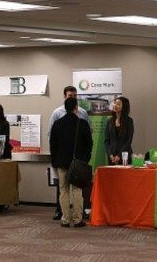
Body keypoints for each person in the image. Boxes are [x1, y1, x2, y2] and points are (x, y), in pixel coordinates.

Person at [48, 86, 91, 221]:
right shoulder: (82, 123)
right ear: (76, 108)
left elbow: (52, 143)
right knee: (77, 190)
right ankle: (78, 219)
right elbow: (89, 143)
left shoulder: (57, 123)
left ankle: (65, 219)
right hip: (78, 162)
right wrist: (86, 158)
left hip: (61, 162)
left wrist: (54, 160)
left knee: (63, 190)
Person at [105, 96, 134, 165]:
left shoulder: (129, 121)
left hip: (125, 156)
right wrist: (110, 155)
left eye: (118, 104)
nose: (115, 105)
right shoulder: (109, 121)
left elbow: (128, 141)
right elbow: (106, 141)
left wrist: (119, 156)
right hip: (112, 158)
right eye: (115, 103)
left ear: (124, 107)